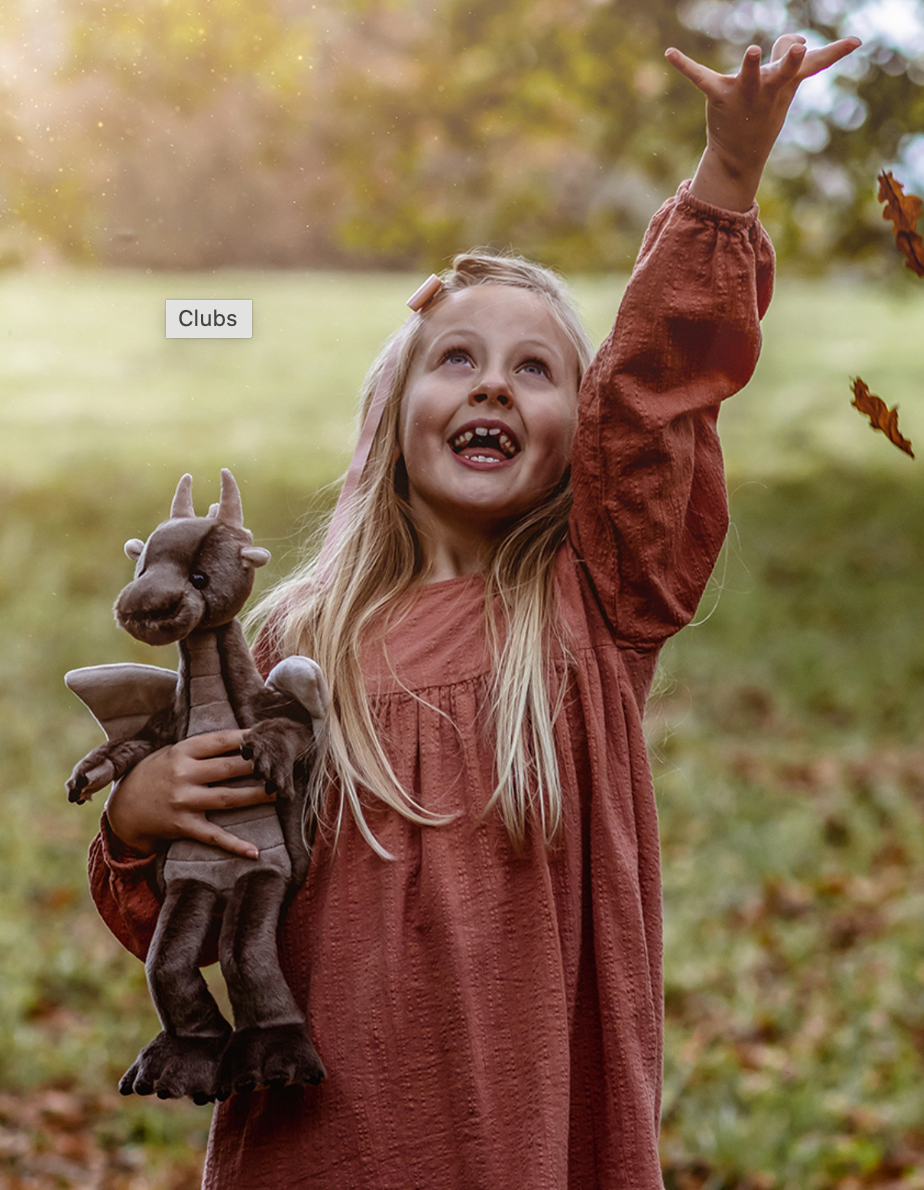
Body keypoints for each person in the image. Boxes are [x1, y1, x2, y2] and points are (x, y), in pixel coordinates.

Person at [88, 34, 860, 1190]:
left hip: (527, 1128)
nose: (494, 382)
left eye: (537, 369)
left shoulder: (595, 600)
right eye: (456, 357)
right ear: (393, 418)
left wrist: (726, 178)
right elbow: (199, 904)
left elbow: (652, 396)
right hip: (326, 1134)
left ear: (577, 441)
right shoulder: (293, 648)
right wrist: (136, 821)